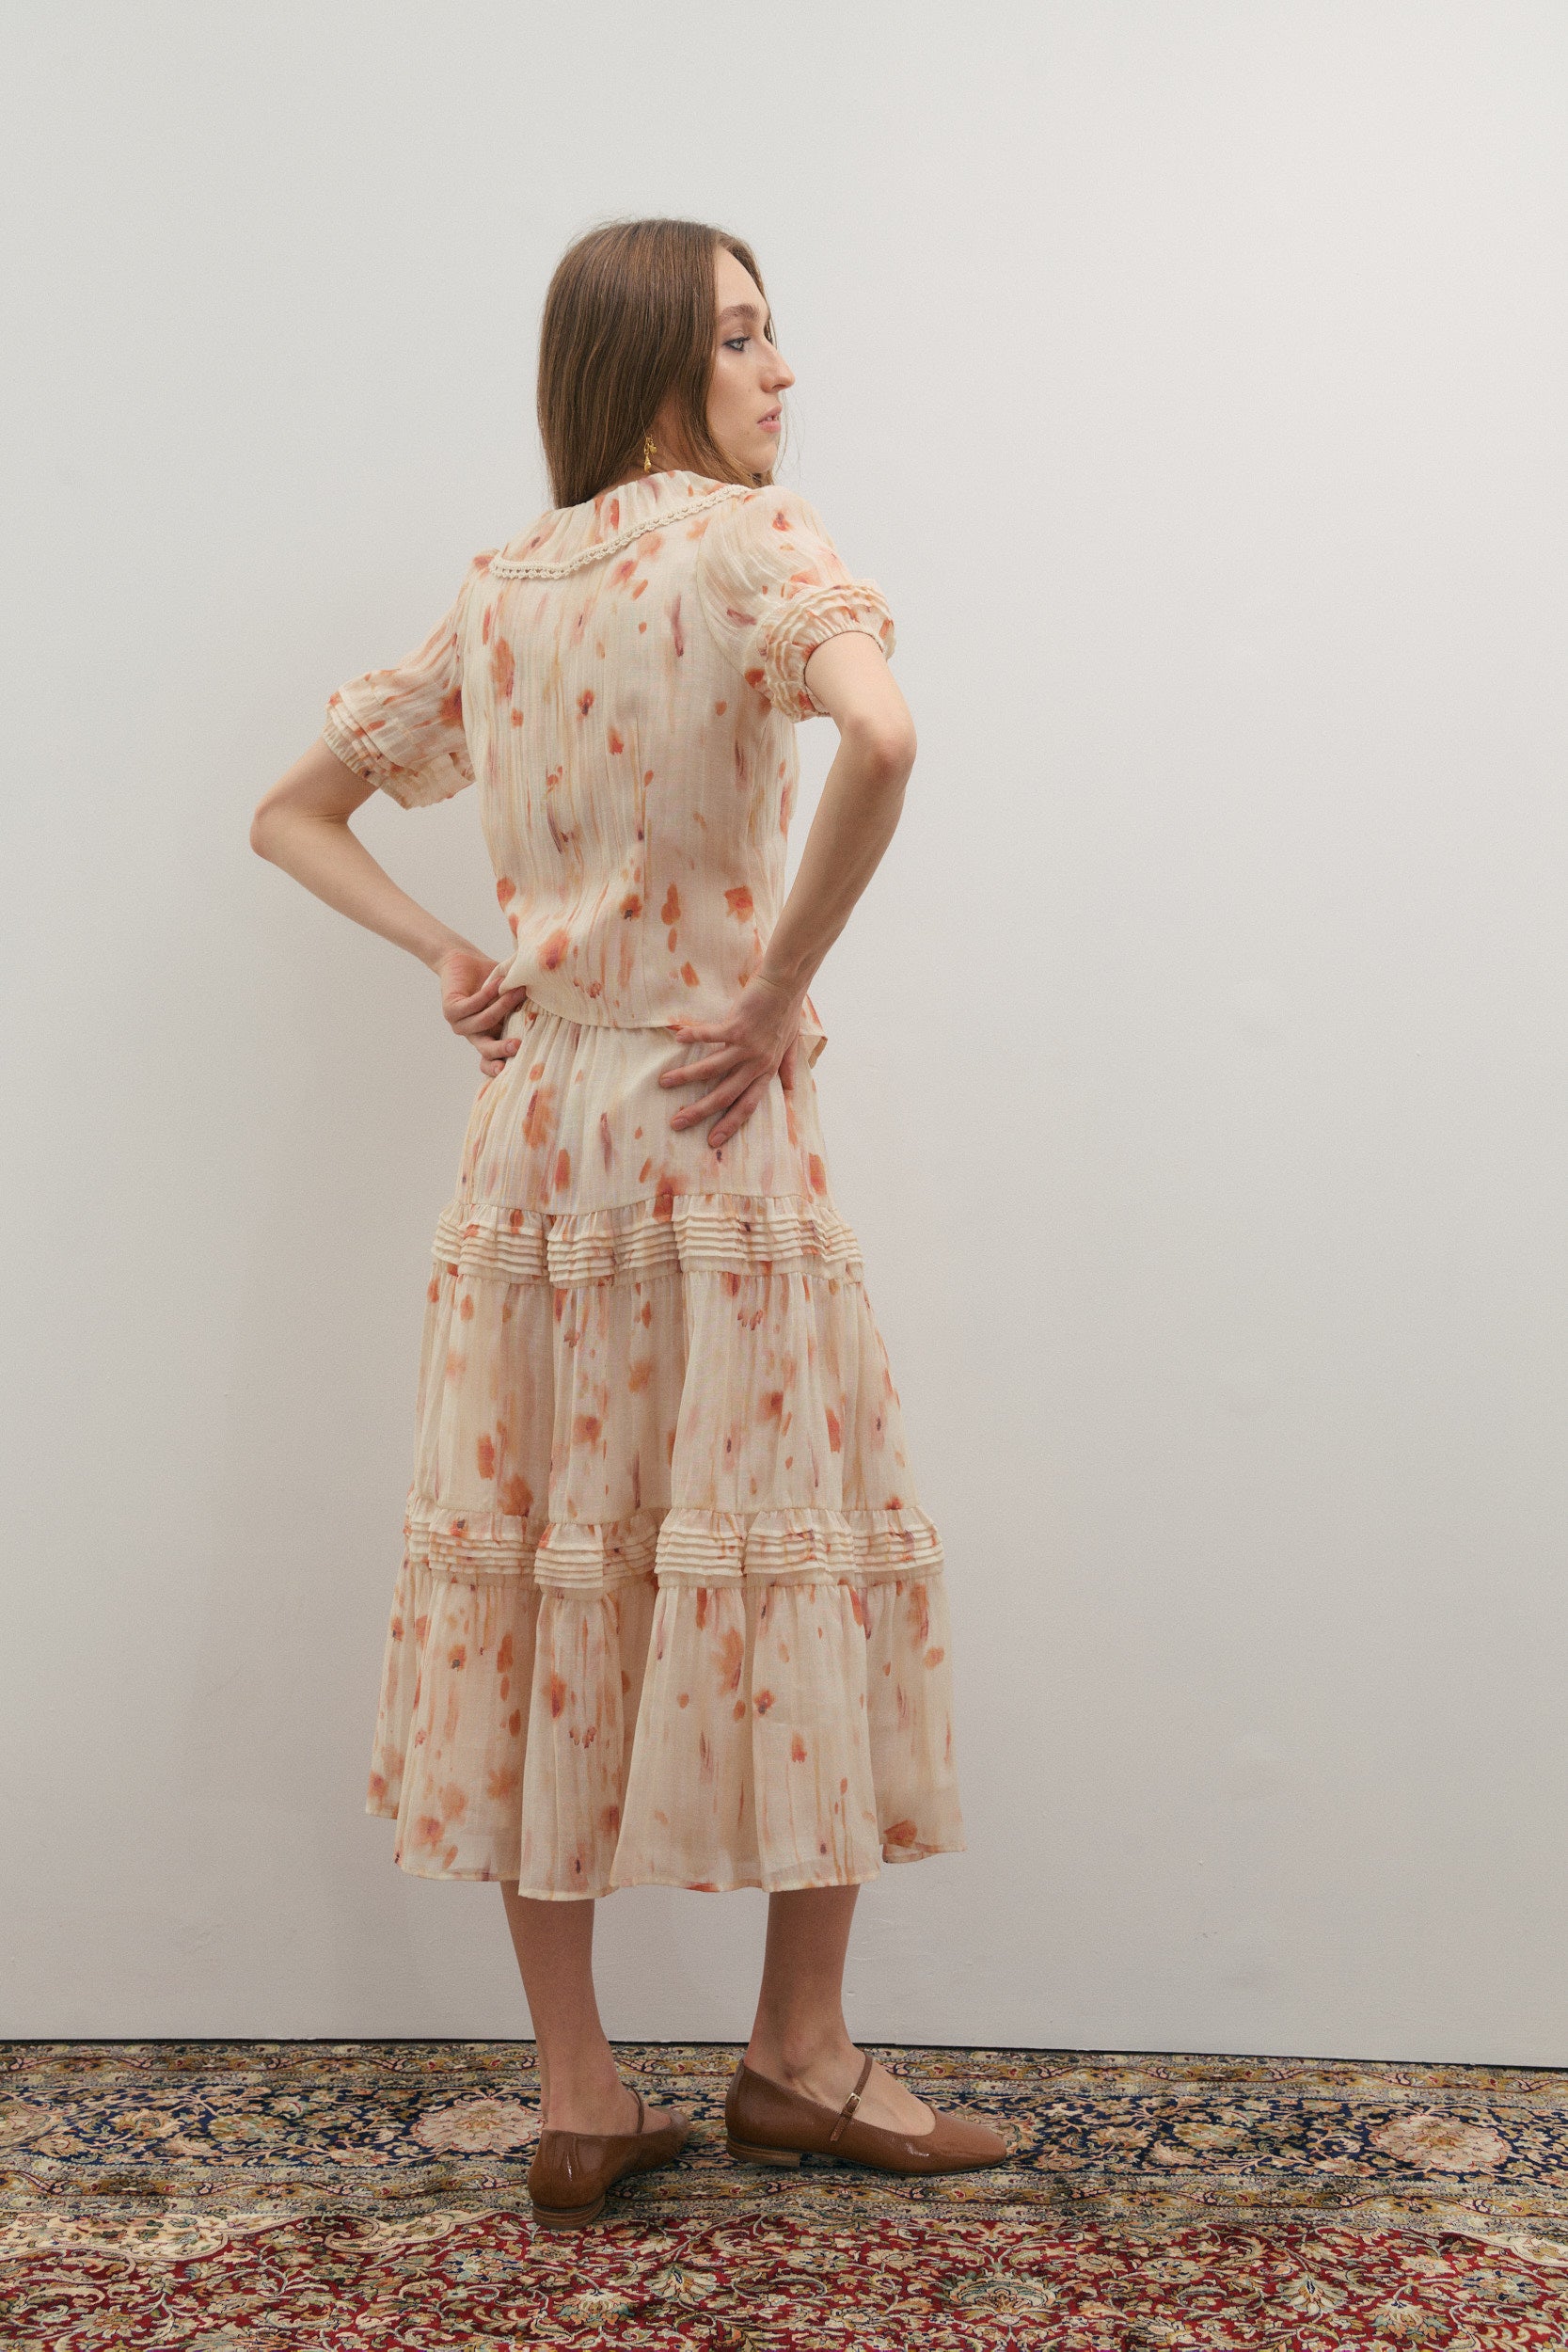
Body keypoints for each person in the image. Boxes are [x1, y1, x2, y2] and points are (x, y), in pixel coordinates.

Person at [251, 215, 1007, 2228]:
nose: (784, 375)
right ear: (662, 367)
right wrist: (769, 1000)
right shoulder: (752, 550)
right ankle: (800, 2053)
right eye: (748, 338)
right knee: (802, 1554)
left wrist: (448, 953)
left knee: (536, 1572)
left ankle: (580, 2091)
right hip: (710, 1124)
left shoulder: (504, 589)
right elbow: (893, 732)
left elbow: (291, 806)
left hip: (540, 1139)